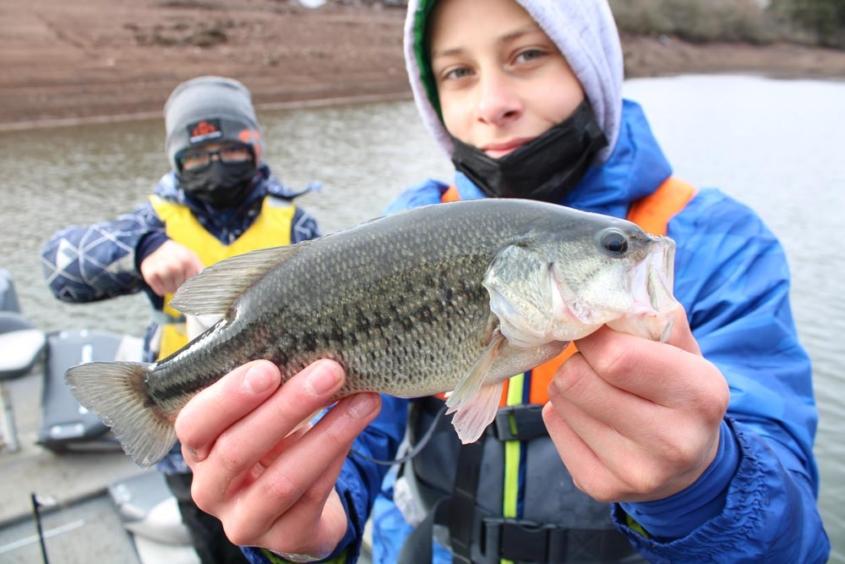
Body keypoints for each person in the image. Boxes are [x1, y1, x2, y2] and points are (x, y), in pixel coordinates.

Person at [169, 1, 831, 563]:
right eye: (457, 72)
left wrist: (702, 481)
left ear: (589, 62)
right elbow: (351, 445)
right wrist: (301, 534)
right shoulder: (403, 225)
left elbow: (794, 533)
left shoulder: (718, 244)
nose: (492, 105)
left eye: (526, 56)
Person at [41, 75, 321, 563]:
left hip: (278, 427)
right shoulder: (154, 220)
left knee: (282, 538)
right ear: (176, 160)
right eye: (195, 156)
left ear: (255, 146)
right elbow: (58, 267)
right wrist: (140, 250)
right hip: (182, 427)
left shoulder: (295, 223)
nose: (214, 166)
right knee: (212, 542)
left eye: (230, 151)